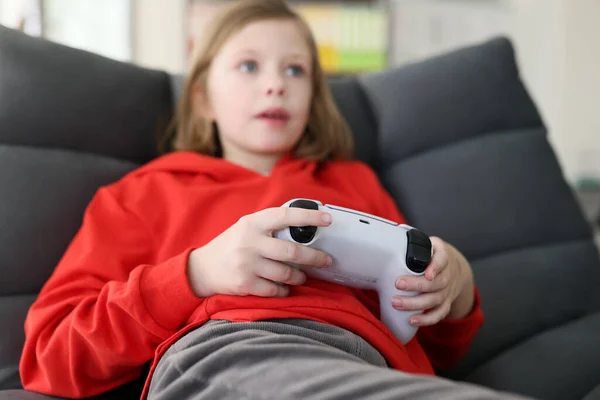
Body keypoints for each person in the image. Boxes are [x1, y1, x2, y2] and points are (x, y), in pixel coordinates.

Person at [19, 1, 528, 399]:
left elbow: (438, 342)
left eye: (295, 71)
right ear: (201, 97)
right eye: (248, 67)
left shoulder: (353, 182)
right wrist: (195, 274)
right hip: (229, 352)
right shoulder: (144, 194)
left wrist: (454, 287)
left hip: (372, 363)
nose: (274, 87)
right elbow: (49, 354)